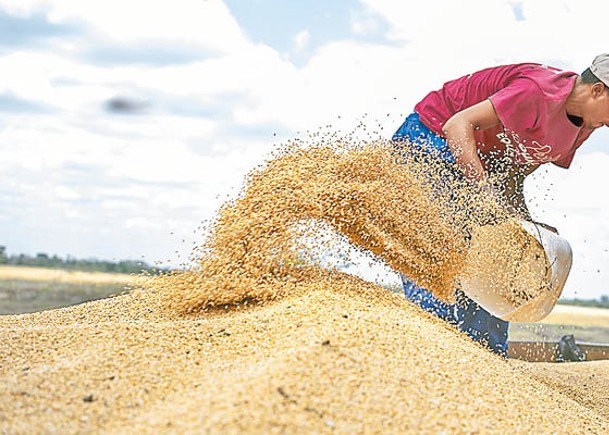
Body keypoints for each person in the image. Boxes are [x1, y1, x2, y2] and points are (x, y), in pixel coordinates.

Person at [392, 54, 609, 356]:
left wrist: (522, 224)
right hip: (431, 137)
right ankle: (430, 350)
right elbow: (458, 124)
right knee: (438, 245)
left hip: (481, 162)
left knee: (500, 259)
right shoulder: (538, 92)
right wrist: (483, 192)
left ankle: (485, 358)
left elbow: (513, 171)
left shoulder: (584, 126)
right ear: (598, 90)